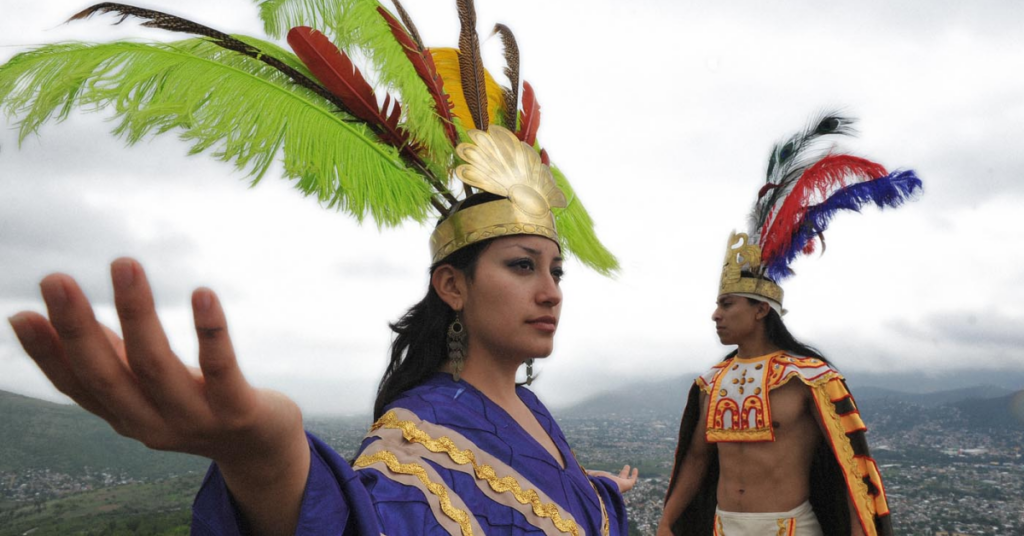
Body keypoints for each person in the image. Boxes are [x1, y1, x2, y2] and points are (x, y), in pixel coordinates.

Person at [4, 1, 635, 534]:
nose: (550, 292)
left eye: (557, 272)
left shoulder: (532, 412)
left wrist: (602, 489)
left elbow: (559, 503)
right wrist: (266, 461)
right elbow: (371, 517)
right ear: (452, 285)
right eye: (523, 266)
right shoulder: (419, 437)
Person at [657, 113, 922, 536]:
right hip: (722, 527)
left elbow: (849, 466)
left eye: (727, 304)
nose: (716, 315)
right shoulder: (710, 384)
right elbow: (696, 460)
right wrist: (666, 522)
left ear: (761, 309)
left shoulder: (811, 379)